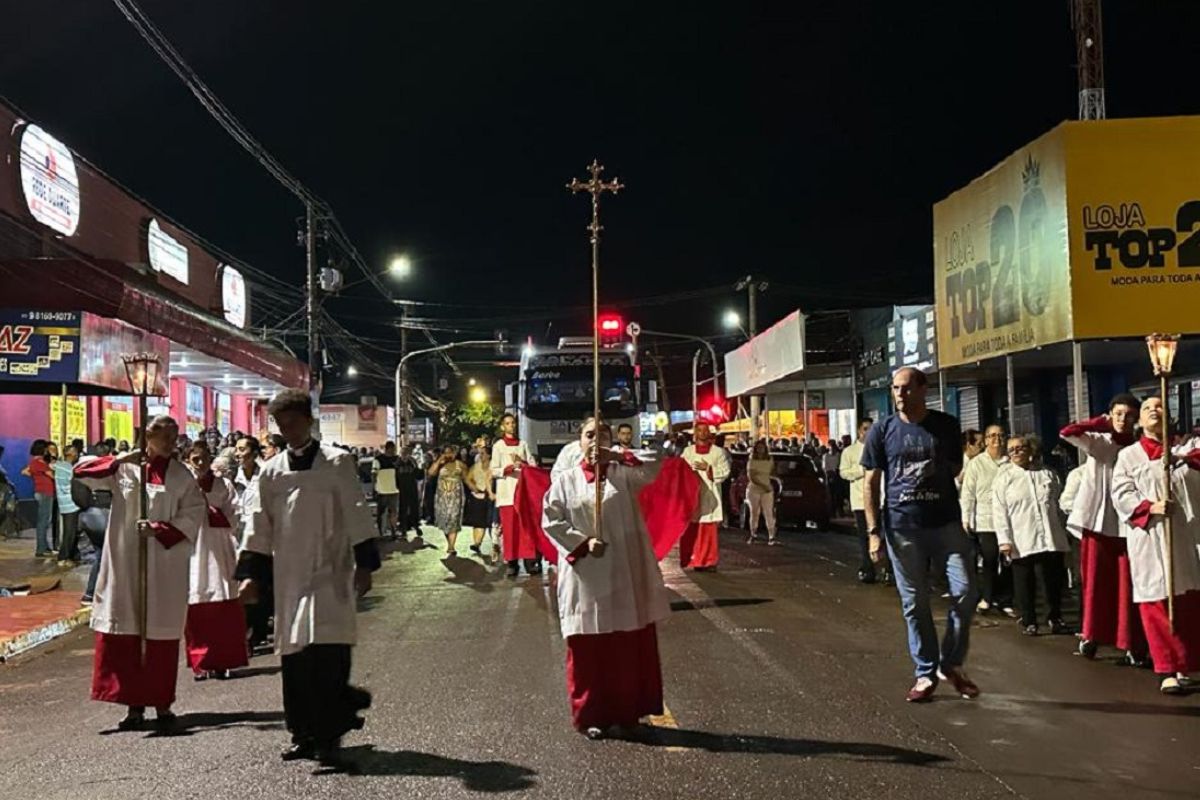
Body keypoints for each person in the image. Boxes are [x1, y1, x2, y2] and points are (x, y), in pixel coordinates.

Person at [238, 389, 379, 769]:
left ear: (309, 421)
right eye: (282, 425)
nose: (289, 430)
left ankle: (330, 735)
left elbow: (355, 511)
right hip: (290, 575)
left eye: (294, 422)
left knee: (329, 655)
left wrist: (364, 564)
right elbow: (258, 524)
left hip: (331, 570)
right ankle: (302, 733)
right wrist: (251, 574)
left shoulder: (337, 463)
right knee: (297, 658)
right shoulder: (271, 472)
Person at [73, 416, 206, 731]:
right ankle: (134, 706)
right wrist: (122, 459)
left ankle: (161, 704)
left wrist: (160, 529)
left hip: (163, 565)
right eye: (165, 435)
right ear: (148, 435)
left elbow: (193, 512)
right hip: (126, 562)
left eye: (175, 435)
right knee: (128, 633)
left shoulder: (181, 475)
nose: (172, 441)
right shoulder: (125, 469)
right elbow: (81, 472)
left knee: (158, 634)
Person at [541, 417, 670, 738]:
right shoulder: (566, 480)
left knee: (624, 644)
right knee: (589, 648)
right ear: (578, 441)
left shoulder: (624, 475)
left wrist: (616, 456)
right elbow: (550, 520)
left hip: (623, 571)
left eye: (602, 435)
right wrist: (582, 543)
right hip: (585, 575)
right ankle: (590, 714)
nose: (595, 440)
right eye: (589, 434)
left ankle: (628, 712)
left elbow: (656, 462)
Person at [862, 367, 979, 703]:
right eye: (895, 388)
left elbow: (955, 468)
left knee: (967, 591)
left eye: (906, 387)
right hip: (902, 528)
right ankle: (925, 673)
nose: (900, 394)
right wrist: (873, 533)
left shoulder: (945, 425)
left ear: (923, 389)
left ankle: (951, 662)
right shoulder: (883, 430)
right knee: (915, 602)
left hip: (945, 523)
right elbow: (871, 483)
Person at [1110, 396, 1200, 694]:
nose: (1154, 411)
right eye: (1147, 408)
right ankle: (1166, 667)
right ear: (1139, 419)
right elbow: (1121, 494)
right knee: (1156, 602)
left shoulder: (1182, 449)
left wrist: (1182, 459)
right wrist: (1150, 507)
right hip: (1150, 536)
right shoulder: (1129, 456)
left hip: (1182, 535)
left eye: (1160, 406)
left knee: (1186, 600)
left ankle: (1185, 663)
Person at [1059, 394, 1147, 663]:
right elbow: (1067, 432)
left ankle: (1131, 641)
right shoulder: (1100, 442)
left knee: (1129, 584)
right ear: (1111, 415)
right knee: (1096, 583)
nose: (1123, 420)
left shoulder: (1139, 448)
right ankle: (1092, 634)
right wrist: (1099, 423)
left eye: (1129, 415)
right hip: (1098, 522)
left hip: (1128, 524)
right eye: (1118, 414)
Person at [991, 435, 1071, 636]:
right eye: (1011, 450)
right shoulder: (1004, 479)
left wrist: (1065, 531)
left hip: (1050, 536)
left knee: (1052, 580)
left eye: (1020, 448)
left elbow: (1059, 504)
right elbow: (999, 512)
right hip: (1021, 537)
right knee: (1024, 581)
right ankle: (1029, 620)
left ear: (1030, 450)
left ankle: (1054, 617)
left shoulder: (1048, 474)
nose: (1016, 452)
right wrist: (1004, 541)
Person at [182, 441, 248, 681]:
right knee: (195, 606)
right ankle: (200, 661)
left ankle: (223, 660)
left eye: (204, 458)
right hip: (193, 551)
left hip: (219, 549)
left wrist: (211, 511)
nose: (200, 463)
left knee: (223, 607)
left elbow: (235, 514)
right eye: (195, 459)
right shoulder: (183, 486)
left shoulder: (223, 484)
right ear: (188, 460)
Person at [959, 425, 1015, 617]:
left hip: (1009, 520)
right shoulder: (977, 463)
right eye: (992, 436)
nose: (996, 440)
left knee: (1008, 561)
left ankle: (1005, 599)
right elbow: (968, 493)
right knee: (990, 559)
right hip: (985, 520)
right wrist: (966, 518)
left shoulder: (1011, 462)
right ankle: (988, 597)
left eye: (1000, 435)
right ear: (985, 440)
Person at [492, 413, 540, 578]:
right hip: (506, 494)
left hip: (523, 493)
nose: (511, 426)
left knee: (526, 529)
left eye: (513, 423)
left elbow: (533, 465)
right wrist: (508, 468)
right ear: (502, 427)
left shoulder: (523, 444)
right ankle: (512, 563)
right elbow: (493, 470)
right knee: (510, 530)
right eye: (507, 423)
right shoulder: (498, 446)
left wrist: (523, 463)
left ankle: (530, 562)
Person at [678, 423, 729, 570]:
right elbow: (680, 470)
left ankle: (708, 561)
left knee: (708, 529)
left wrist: (708, 469)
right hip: (692, 495)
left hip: (710, 495)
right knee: (692, 528)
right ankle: (692, 559)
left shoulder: (718, 452)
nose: (702, 433)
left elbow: (724, 471)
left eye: (705, 431)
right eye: (699, 430)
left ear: (709, 433)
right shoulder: (688, 452)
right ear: (695, 433)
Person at [840, 420, 881, 583]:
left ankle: (885, 568)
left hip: (880, 500)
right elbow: (843, 472)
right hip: (860, 501)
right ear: (859, 431)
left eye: (871, 429)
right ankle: (867, 567)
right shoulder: (849, 452)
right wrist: (861, 471)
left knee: (883, 535)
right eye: (865, 429)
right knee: (865, 536)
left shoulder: (879, 448)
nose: (868, 432)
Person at [429, 445, 468, 557]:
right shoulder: (440, 464)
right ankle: (449, 541)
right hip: (442, 497)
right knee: (444, 520)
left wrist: (475, 489)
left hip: (456, 497)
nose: (449, 455)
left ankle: (451, 546)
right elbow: (431, 473)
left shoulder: (460, 465)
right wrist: (438, 461)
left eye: (451, 452)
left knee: (454, 519)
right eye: (447, 453)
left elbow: (467, 478)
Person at [463, 437, 495, 557]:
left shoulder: (494, 466)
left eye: (483, 454)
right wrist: (473, 487)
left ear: (489, 455)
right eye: (480, 454)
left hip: (490, 496)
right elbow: (467, 478)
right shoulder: (476, 466)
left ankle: (496, 544)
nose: (480, 456)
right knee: (478, 522)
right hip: (478, 496)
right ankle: (477, 543)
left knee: (492, 522)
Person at [23, 440, 55, 558]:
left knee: (44, 520)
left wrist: (36, 476)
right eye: (46, 448)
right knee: (43, 521)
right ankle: (41, 549)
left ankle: (44, 546)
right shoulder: (40, 462)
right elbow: (52, 475)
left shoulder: (34, 462)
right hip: (45, 493)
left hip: (41, 492)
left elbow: (25, 471)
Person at [53, 443, 83, 566]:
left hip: (63, 502)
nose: (77, 454)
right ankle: (63, 557)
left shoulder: (59, 466)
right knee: (70, 532)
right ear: (71, 454)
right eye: (75, 452)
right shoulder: (69, 468)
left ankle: (71, 555)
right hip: (71, 504)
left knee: (69, 531)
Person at [746, 440, 777, 545]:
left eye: (762, 448)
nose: (760, 450)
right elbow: (751, 477)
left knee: (768, 512)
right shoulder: (752, 461)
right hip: (755, 489)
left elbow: (772, 472)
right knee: (754, 512)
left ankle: (771, 536)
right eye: (758, 448)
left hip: (767, 490)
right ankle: (753, 534)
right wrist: (764, 485)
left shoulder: (769, 460)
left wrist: (769, 484)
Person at [372, 441, 401, 538]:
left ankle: (393, 532)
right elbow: (374, 474)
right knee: (381, 513)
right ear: (388, 448)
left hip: (394, 490)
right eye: (393, 449)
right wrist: (374, 488)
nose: (394, 451)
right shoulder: (378, 460)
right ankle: (380, 532)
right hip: (382, 491)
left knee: (393, 512)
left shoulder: (397, 459)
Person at [395, 444, 423, 539]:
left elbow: (418, 475)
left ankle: (416, 525)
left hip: (412, 488)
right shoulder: (397, 463)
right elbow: (395, 476)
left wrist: (420, 468)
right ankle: (403, 527)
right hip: (402, 489)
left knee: (414, 507)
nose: (405, 455)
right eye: (403, 453)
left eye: (406, 453)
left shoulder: (412, 462)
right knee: (403, 508)